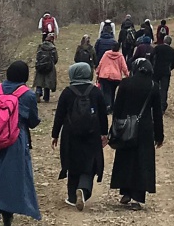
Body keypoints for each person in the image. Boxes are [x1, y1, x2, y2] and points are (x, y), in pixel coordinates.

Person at [0, 61, 43, 226]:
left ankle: (6, 214)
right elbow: (32, 121)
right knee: (7, 178)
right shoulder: (27, 95)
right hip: (13, 140)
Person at [109, 57, 165, 210]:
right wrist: (159, 135)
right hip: (145, 129)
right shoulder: (153, 86)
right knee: (142, 162)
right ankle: (137, 197)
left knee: (126, 159)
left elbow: (117, 108)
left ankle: (125, 191)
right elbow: (157, 113)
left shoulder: (125, 83)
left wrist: (114, 129)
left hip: (126, 126)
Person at [52, 62, 108, 210]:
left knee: (72, 162)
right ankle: (83, 189)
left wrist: (55, 134)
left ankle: (71, 196)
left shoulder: (67, 92)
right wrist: (104, 133)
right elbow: (102, 114)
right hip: (92, 133)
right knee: (89, 164)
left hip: (70, 133)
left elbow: (59, 115)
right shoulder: (95, 92)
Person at [95, 44, 129, 111]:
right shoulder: (120, 56)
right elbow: (124, 67)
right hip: (116, 77)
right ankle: (112, 106)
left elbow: (101, 63)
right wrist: (127, 75)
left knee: (106, 92)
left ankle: (108, 105)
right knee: (112, 92)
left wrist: (97, 72)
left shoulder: (106, 54)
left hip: (105, 75)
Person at [150, 35, 174, 113]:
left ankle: (152, 104)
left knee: (154, 87)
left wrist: (153, 66)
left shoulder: (157, 48)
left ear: (164, 41)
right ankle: (162, 106)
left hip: (156, 70)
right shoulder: (172, 51)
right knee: (164, 89)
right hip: (166, 72)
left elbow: (151, 57)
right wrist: (169, 68)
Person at [33, 36, 59, 102]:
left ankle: (38, 94)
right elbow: (56, 59)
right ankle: (46, 97)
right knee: (48, 82)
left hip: (40, 66)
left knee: (39, 81)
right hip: (49, 67)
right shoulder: (53, 48)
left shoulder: (40, 46)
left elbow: (37, 57)